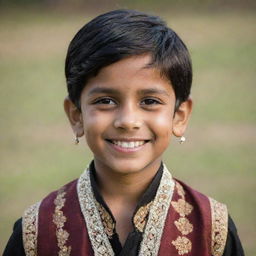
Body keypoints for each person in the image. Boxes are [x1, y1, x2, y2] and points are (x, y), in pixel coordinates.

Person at [3, 9, 244, 256]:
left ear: (179, 116)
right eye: (106, 101)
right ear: (76, 116)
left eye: (149, 101)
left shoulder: (212, 230)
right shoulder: (38, 232)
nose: (128, 121)